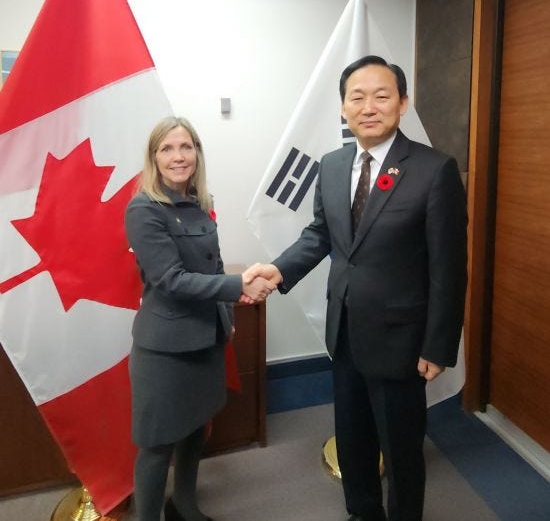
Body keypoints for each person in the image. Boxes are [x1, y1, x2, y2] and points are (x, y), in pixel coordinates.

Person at [244, 56, 468, 521]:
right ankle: (363, 512)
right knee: (352, 440)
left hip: (402, 341)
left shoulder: (434, 170)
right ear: (343, 107)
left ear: (402, 103)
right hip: (345, 331)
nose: (369, 107)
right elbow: (320, 235)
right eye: (357, 97)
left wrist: (439, 344)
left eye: (381, 96)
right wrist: (279, 270)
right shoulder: (332, 165)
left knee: (402, 452)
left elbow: (448, 267)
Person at [125, 116, 274, 521]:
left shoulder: (200, 202)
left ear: (197, 153)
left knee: (194, 429)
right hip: (166, 350)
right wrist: (238, 284)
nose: (178, 156)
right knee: (157, 445)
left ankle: (184, 506)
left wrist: (228, 312)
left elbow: (214, 264)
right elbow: (170, 280)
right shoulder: (143, 209)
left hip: (205, 340)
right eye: (167, 148)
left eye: (186, 147)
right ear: (154, 157)